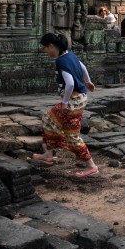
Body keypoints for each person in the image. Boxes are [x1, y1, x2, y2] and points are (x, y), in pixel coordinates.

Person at [33, 33, 99, 177]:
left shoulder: (61, 61)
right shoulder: (70, 55)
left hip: (73, 101)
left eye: (44, 48)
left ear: (51, 46)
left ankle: (91, 166)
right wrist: (88, 81)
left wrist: (64, 102)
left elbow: (69, 84)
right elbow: (82, 66)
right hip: (78, 98)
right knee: (48, 117)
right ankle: (49, 153)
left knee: (72, 136)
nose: (45, 51)